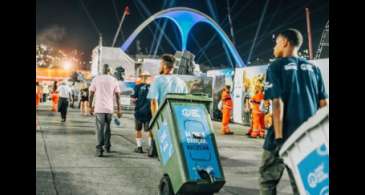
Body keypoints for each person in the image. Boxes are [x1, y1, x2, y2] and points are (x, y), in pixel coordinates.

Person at [259, 29, 328, 195]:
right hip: (307, 139)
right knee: (302, 183)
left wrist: (278, 138)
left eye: (276, 44)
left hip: (283, 135)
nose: (274, 48)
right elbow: (324, 105)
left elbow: (277, 103)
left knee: (267, 180)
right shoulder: (314, 69)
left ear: (285, 43)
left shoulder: (276, 66)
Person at [89, 64, 122, 157]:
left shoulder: (96, 79)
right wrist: (119, 109)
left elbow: (91, 93)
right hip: (109, 108)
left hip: (99, 108)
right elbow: (118, 95)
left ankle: (99, 149)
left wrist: (90, 106)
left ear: (102, 70)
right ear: (109, 71)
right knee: (107, 128)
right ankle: (107, 146)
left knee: (100, 128)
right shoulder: (114, 80)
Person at [131, 71, 152, 153]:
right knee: (150, 130)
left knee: (138, 129)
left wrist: (137, 102)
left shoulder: (137, 87)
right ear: (148, 77)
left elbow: (133, 99)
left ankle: (139, 147)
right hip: (149, 112)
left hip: (139, 111)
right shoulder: (152, 87)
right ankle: (150, 147)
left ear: (141, 77)